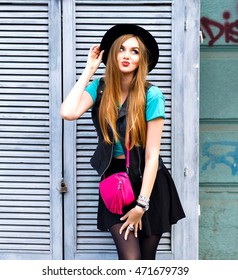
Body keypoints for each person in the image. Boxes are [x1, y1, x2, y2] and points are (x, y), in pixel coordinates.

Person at [60, 24, 185, 260]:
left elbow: (152, 155)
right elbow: (68, 112)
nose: (127, 56)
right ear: (113, 53)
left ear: (142, 59)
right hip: (115, 183)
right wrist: (89, 69)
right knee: (130, 260)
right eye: (122, 49)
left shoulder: (152, 95)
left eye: (135, 51)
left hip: (149, 183)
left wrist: (141, 205)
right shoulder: (98, 89)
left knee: (146, 262)